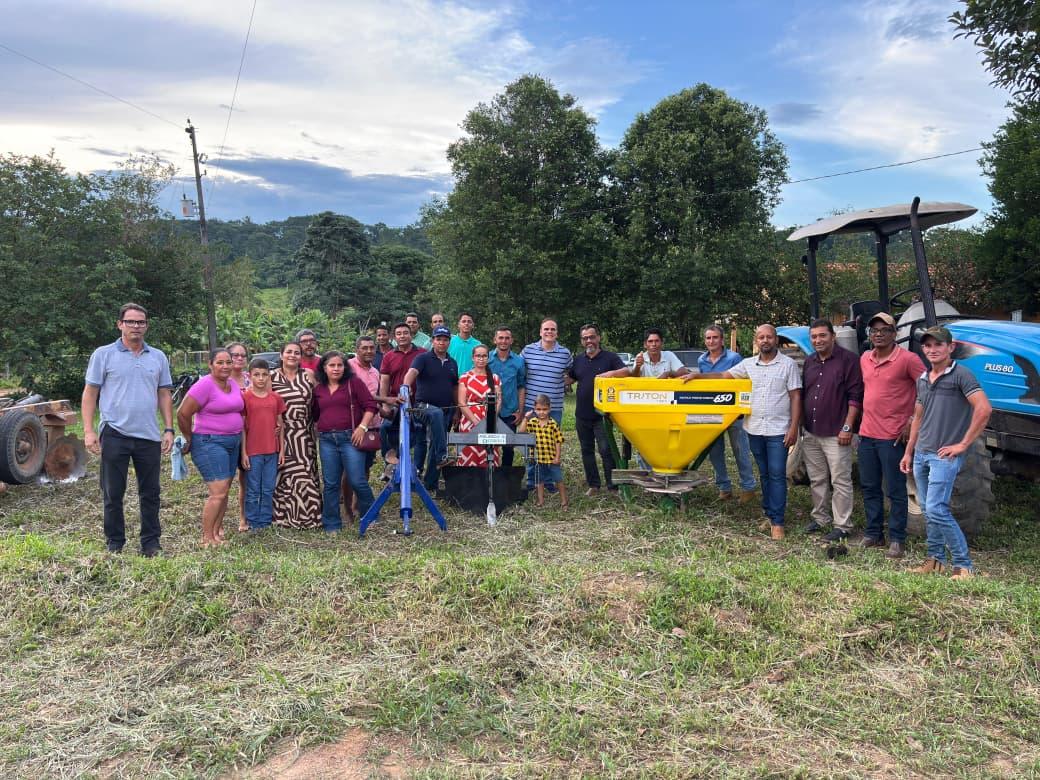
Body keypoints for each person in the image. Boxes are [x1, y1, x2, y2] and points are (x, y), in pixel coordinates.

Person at [684, 324, 801, 540]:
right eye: (761, 337)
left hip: (778, 429)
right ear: (756, 341)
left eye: (769, 337)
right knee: (764, 473)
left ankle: (778, 522)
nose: (765, 340)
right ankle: (768, 513)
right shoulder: (748, 364)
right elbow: (723, 377)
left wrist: (794, 427)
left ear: (775, 340)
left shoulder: (788, 365)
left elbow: (795, 396)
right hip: (755, 428)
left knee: (776, 474)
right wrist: (696, 377)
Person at [82, 303, 174, 557]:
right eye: (131, 322)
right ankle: (115, 542)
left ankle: (151, 543)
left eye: (141, 322)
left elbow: (164, 394)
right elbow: (91, 394)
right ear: (120, 324)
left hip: (148, 435)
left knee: (151, 493)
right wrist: (89, 430)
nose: (136, 326)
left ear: (147, 326)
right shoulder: (104, 354)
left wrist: (168, 428)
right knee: (112, 493)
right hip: (114, 433)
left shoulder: (158, 357)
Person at [900, 326, 992, 579]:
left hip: (944, 456)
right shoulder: (923, 379)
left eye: (938, 345)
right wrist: (909, 452)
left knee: (937, 509)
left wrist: (962, 445)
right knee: (929, 511)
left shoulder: (962, 375)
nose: (932, 349)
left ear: (950, 347)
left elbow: (983, 409)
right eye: (927, 345)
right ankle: (936, 560)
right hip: (921, 453)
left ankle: (964, 565)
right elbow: (918, 418)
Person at [859, 312, 924, 558]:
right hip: (867, 434)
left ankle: (897, 538)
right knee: (869, 486)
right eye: (874, 330)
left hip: (893, 436)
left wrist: (911, 421)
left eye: (884, 330)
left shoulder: (908, 359)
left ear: (894, 333)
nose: (878, 334)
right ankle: (873, 533)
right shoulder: (865, 358)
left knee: (895, 489)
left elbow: (927, 390)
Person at [800, 319, 864, 543]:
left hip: (837, 434)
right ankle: (820, 518)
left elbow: (855, 398)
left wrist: (848, 427)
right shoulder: (809, 362)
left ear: (833, 336)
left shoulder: (849, 361)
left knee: (840, 480)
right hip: (811, 431)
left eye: (822, 336)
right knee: (817, 479)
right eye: (814, 337)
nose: (818, 340)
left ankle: (843, 525)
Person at [177, 349, 245, 547]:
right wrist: (189, 437)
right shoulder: (205, 385)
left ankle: (216, 533)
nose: (225, 366)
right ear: (210, 364)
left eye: (228, 362)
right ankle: (206, 537)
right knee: (218, 491)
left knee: (224, 490)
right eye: (220, 362)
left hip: (233, 441)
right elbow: (183, 413)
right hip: (209, 442)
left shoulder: (232, 383)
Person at [312, 351, 378, 533]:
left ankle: (370, 516)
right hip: (326, 440)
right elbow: (315, 414)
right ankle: (332, 523)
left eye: (339, 365)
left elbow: (371, 405)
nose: (336, 369)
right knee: (331, 483)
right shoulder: (319, 389)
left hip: (351, 437)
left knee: (357, 480)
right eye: (332, 365)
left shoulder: (353, 383)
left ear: (345, 367)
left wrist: (362, 427)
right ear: (324, 368)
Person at [566, 323, 627, 495]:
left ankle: (613, 486)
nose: (589, 341)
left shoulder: (610, 358)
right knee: (586, 451)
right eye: (585, 338)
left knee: (606, 450)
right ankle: (594, 485)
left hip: (602, 416)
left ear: (598, 338)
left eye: (592, 337)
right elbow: (569, 379)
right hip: (582, 415)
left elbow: (626, 371)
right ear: (582, 341)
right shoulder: (578, 360)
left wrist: (610, 374)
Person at [698, 325, 757, 502]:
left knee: (740, 450)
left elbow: (742, 381)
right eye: (708, 338)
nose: (711, 341)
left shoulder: (734, 357)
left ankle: (748, 487)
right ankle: (724, 487)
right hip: (713, 412)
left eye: (715, 337)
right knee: (714, 452)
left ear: (722, 340)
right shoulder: (702, 360)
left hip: (734, 412)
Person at [271, 342, 323, 529]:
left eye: (296, 353)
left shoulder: (308, 376)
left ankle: (310, 516)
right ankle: (284, 517)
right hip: (282, 433)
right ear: (281, 354)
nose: (292, 355)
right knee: (285, 474)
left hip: (304, 432)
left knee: (306, 473)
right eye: (289, 352)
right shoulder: (271, 377)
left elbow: (321, 400)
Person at [404, 326, 459, 492]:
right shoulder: (423, 358)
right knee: (435, 414)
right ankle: (443, 456)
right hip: (422, 407)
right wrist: (405, 387)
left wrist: (457, 410)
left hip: (446, 409)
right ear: (433, 341)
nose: (441, 342)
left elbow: (455, 387)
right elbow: (411, 373)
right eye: (438, 339)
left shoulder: (452, 363)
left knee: (436, 442)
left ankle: (430, 484)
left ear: (449, 342)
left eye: (445, 339)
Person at [521, 318, 572, 491]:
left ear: (557, 333)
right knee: (530, 444)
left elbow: (571, 374)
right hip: (531, 406)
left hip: (554, 407)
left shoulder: (565, 353)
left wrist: (563, 383)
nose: (549, 332)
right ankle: (532, 480)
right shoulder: (528, 351)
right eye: (546, 329)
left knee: (549, 444)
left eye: (553, 329)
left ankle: (548, 481)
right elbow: (520, 373)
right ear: (540, 332)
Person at [240, 358, 286, 532]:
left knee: (268, 488)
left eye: (264, 375)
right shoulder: (245, 398)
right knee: (253, 489)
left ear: (269, 376)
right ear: (249, 376)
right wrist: (243, 452)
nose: (261, 378)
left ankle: (265, 521)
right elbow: (243, 428)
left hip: (272, 451)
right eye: (257, 375)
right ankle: (252, 521)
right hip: (253, 451)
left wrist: (281, 450)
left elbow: (280, 425)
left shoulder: (276, 398)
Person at [378, 322, 426, 466]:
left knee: (420, 433)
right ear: (394, 337)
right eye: (399, 334)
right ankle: (390, 466)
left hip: (418, 401)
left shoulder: (422, 354)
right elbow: (384, 381)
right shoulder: (388, 356)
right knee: (385, 429)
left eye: (405, 333)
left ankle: (416, 469)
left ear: (411, 335)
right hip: (395, 400)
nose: (402, 336)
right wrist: (385, 403)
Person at [457, 344, 503, 469]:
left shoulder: (495, 378)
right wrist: (475, 421)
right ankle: (467, 485)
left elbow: (499, 400)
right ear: (473, 358)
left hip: (489, 419)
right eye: (478, 356)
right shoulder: (465, 377)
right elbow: (462, 402)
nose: (481, 359)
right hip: (469, 420)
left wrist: (490, 418)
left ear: (488, 358)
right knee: (469, 451)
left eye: (484, 356)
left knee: (488, 453)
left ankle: (489, 484)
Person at [519, 395, 568, 508]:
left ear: (549, 409)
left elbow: (558, 441)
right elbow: (521, 432)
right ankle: (540, 501)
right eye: (539, 409)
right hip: (537, 459)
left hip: (551, 458)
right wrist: (525, 418)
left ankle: (564, 501)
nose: (542, 412)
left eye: (544, 409)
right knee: (539, 481)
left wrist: (557, 457)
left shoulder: (553, 424)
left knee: (558, 479)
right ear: (534, 409)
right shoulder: (532, 422)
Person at [488, 326, 526, 466]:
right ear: (495, 340)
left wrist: (520, 411)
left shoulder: (519, 361)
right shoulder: (487, 359)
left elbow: (521, 386)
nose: (503, 341)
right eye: (500, 337)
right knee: (489, 445)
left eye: (507, 338)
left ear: (511, 340)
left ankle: (505, 477)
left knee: (508, 447)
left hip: (510, 410)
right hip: (490, 410)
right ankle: (490, 474)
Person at [225, 341, 252, 533]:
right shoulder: (221, 380)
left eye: (243, 355)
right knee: (223, 481)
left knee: (246, 479)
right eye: (235, 355)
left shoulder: (252, 378)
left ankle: (244, 517)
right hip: (227, 434)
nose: (240, 358)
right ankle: (218, 521)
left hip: (251, 434)